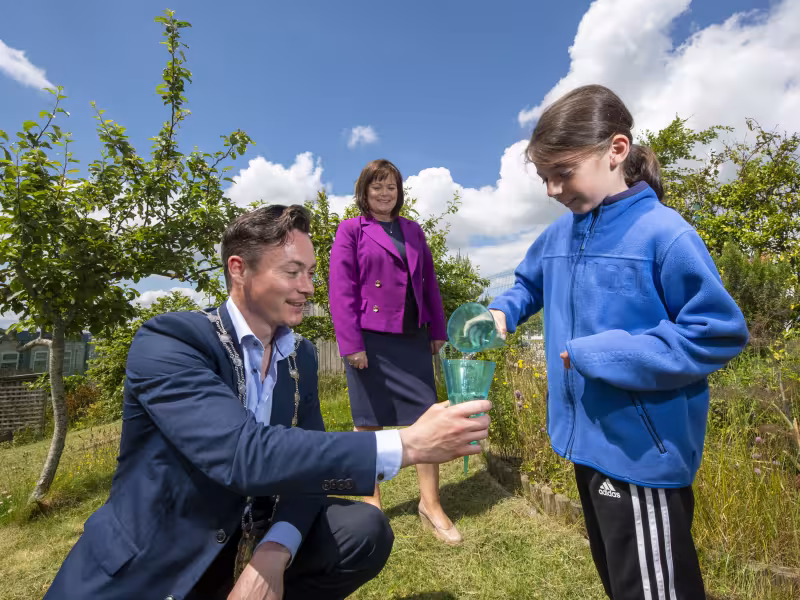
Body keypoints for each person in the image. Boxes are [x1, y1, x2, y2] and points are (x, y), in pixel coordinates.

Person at [45, 204, 490, 600]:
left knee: (364, 529)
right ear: (239, 269)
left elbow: (311, 467)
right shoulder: (171, 341)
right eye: (293, 272)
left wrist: (275, 551)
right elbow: (241, 453)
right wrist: (407, 444)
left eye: (312, 273)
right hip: (157, 561)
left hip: (249, 539)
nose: (309, 287)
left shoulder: (303, 356)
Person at [483, 85, 749, 599]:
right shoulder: (559, 236)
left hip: (640, 453)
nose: (552, 190)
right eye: (545, 178)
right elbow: (528, 284)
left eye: (563, 173)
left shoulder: (663, 233)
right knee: (622, 581)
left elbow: (717, 331)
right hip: (587, 444)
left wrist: (599, 354)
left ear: (617, 150)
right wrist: (503, 311)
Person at [329, 159, 461, 545]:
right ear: (364, 192)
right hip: (369, 340)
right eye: (377, 186)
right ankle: (372, 506)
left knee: (426, 419)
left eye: (391, 187)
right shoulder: (351, 230)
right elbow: (342, 290)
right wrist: (351, 344)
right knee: (368, 422)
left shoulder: (413, 231)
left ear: (399, 193)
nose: (385, 193)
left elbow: (430, 283)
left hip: (412, 337)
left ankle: (430, 504)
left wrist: (437, 329)